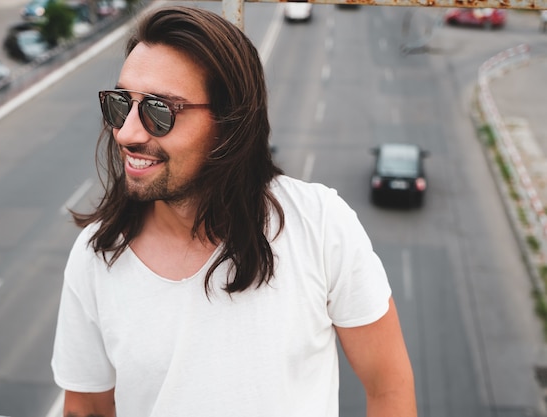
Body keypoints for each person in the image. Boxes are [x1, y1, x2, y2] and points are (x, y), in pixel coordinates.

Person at [51, 5, 416, 417]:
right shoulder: (95, 254)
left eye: (159, 111)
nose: (127, 132)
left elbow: (389, 389)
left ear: (229, 122)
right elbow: (86, 410)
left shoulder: (320, 224)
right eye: (121, 104)